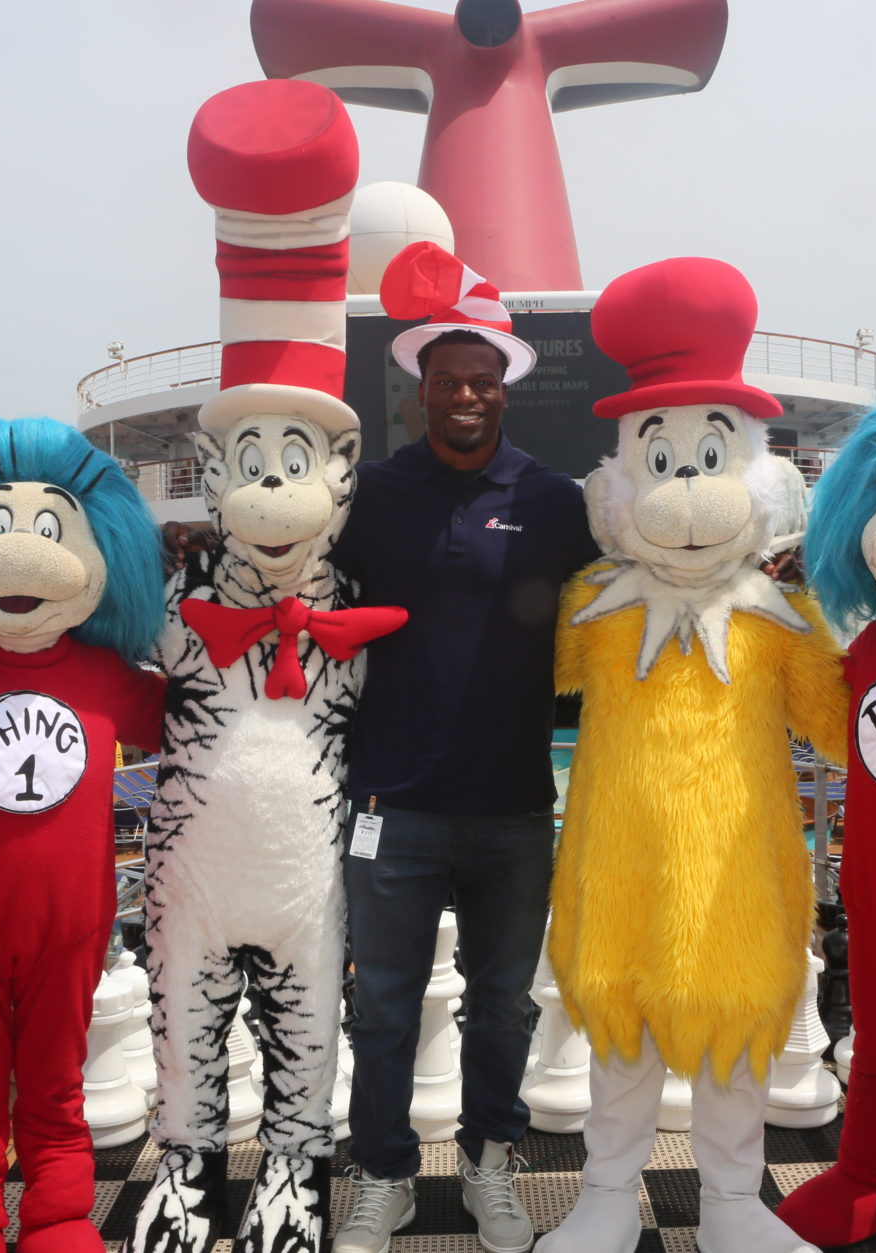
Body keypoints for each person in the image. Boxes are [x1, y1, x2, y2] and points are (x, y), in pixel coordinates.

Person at [328, 243, 599, 1253]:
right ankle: (382, 1177)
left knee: (501, 1012)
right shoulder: (369, 497)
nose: (465, 398)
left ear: (502, 390)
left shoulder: (555, 502)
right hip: (388, 807)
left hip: (514, 809)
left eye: (481, 383)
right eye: (448, 383)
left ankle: (492, 1166)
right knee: (386, 1010)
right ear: (421, 390)